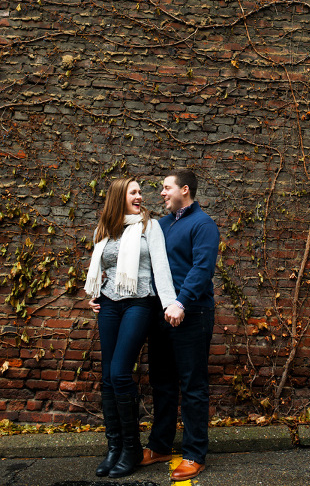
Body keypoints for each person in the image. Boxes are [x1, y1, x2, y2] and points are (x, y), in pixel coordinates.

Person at [85, 176, 178, 479]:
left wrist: (170, 305)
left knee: (121, 372)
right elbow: (99, 268)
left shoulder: (149, 226)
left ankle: (132, 448)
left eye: (140, 192)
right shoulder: (104, 229)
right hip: (110, 304)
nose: (140, 196)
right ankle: (114, 448)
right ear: (119, 197)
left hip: (140, 302)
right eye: (133, 192)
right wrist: (93, 295)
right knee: (108, 375)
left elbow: (161, 267)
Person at [140, 168, 220, 481]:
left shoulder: (203, 224)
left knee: (193, 386)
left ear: (184, 190)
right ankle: (160, 446)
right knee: (161, 383)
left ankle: (194, 453)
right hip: (162, 316)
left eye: (166, 188)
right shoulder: (161, 225)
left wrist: (180, 302)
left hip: (192, 314)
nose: (161, 193)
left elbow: (202, 269)